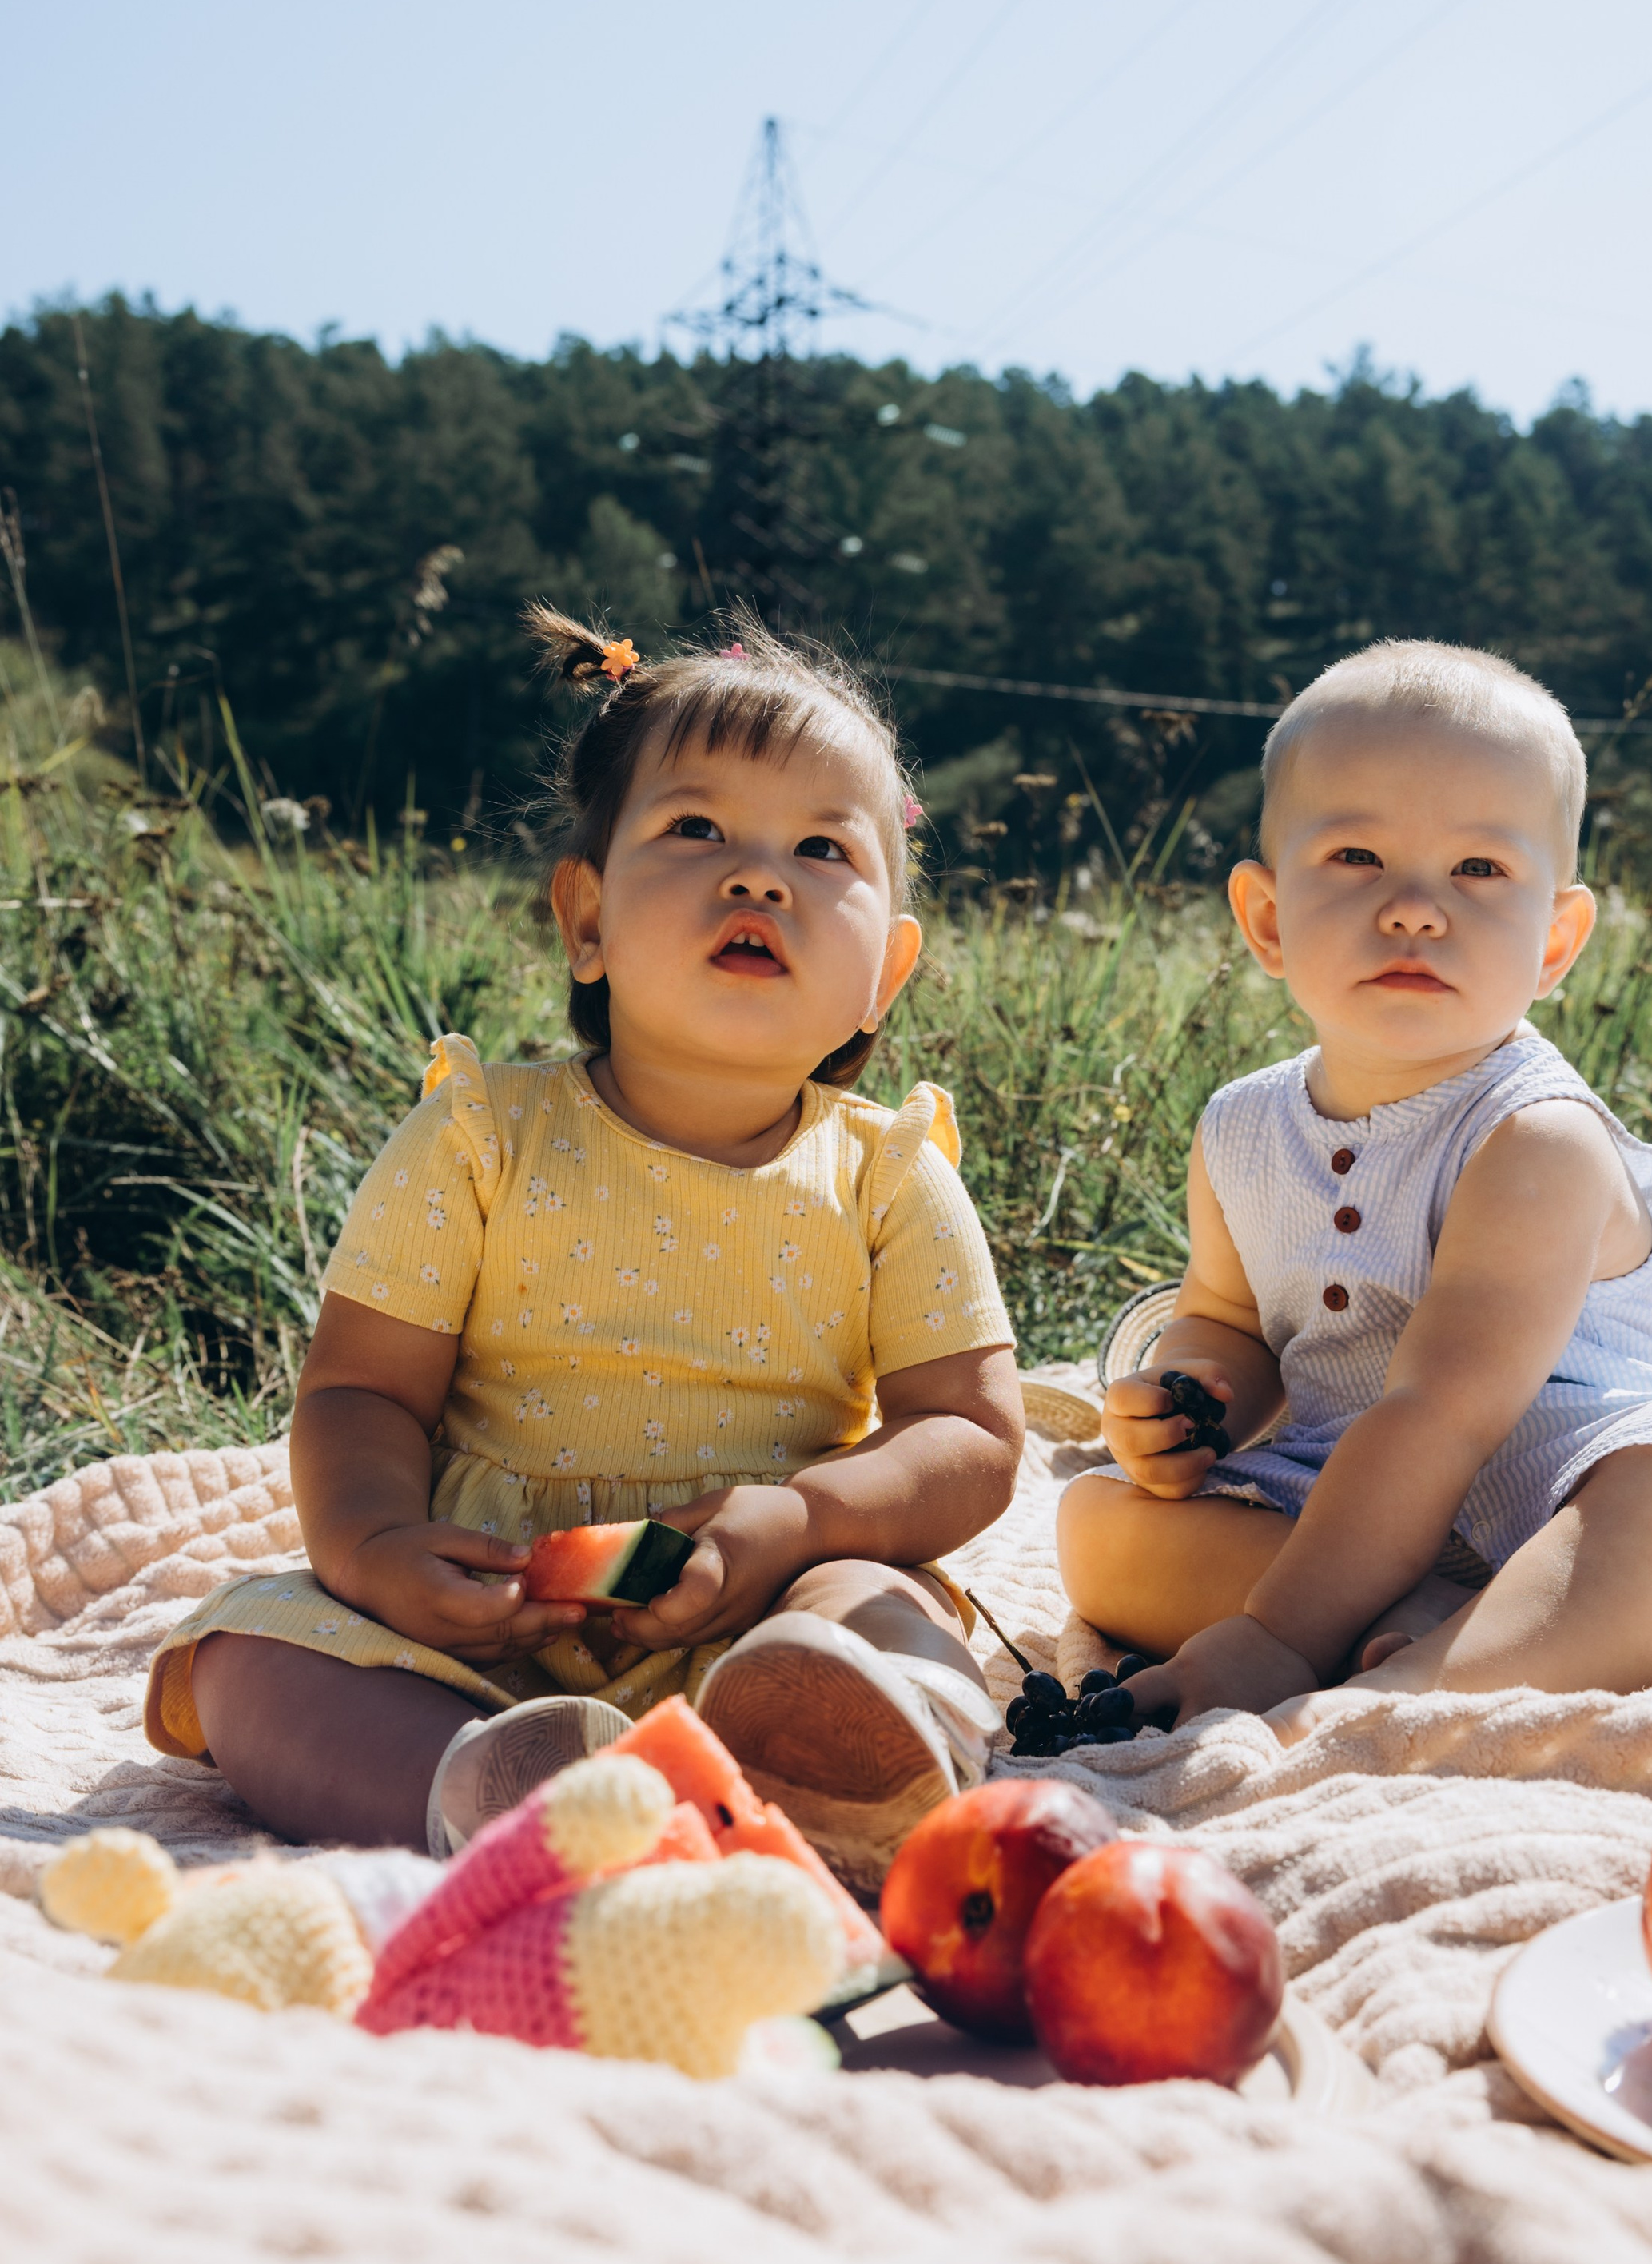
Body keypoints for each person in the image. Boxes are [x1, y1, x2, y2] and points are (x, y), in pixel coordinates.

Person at [146, 611, 1023, 1880]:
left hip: (771, 1604)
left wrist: (794, 1522)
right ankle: (494, 1798)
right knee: (252, 1654)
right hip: (483, 1620)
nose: (759, 878)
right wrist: (377, 1550)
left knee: (891, 1625)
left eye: (821, 847)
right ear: (588, 916)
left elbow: (974, 1438)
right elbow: (359, 1390)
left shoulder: (889, 1174)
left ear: (886, 972)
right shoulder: (477, 1141)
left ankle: (844, 1778)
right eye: (696, 830)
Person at [1058, 639, 1652, 1732]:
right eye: (1358, 857)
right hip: (1333, 1500)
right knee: (1097, 1525)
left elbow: (1441, 1410)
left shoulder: (1534, 1137)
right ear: (1268, 920)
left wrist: (1273, 1634)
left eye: (1478, 870)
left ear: (1554, 942)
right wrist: (1193, 1403)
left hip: (1555, 1483)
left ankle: (1419, 1693)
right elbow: (1229, 1321)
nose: (1416, 909)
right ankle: (1430, 1619)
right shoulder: (1242, 1128)